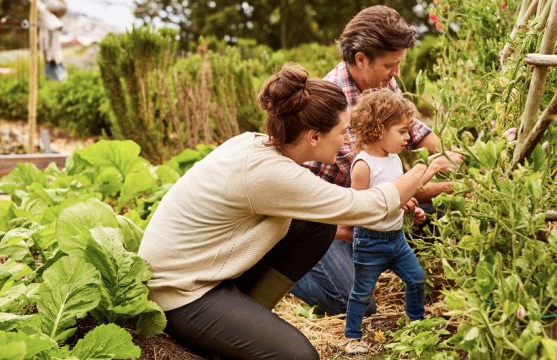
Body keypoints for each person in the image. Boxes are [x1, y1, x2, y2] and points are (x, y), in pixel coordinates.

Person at [138, 64, 461, 359]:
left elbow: (343, 210)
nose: (347, 140)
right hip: (180, 293)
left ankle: (247, 312)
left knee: (315, 226)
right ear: (314, 136)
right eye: (342, 131)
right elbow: (365, 207)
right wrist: (426, 169)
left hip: (207, 270)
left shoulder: (256, 144)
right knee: (299, 356)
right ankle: (229, 330)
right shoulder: (271, 174)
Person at [291, 5, 452, 316]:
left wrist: (451, 155)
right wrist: (448, 185)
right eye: (391, 65)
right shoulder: (335, 106)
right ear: (361, 59)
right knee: (359, 304)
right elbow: (386, 190)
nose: (397, 74)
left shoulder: (379, 83)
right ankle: (290, 268)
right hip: (324, 223)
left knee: (431, 215)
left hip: (364, 212)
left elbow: (420, 133)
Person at [343, 89, 431, 354]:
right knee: (362, 293)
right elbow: (361, 208)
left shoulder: (394, 160)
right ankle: (351, 336)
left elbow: (396, 194)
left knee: (416, 279)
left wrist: (408, 206)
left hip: (396, 239)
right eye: (402, 131)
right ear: (380, 130)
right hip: (370, 241)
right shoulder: (363, 165)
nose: (408, 138)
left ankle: (416, 323)